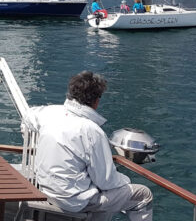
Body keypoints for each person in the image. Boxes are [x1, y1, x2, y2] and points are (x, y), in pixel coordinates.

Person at [29, 71, 153, 220]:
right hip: (73, 201)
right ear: (96, 100)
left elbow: (28, 116)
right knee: (143, 195)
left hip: (46, 191)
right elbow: (107, 181)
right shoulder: (91, 131)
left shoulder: (49, 113)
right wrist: (125, 180)